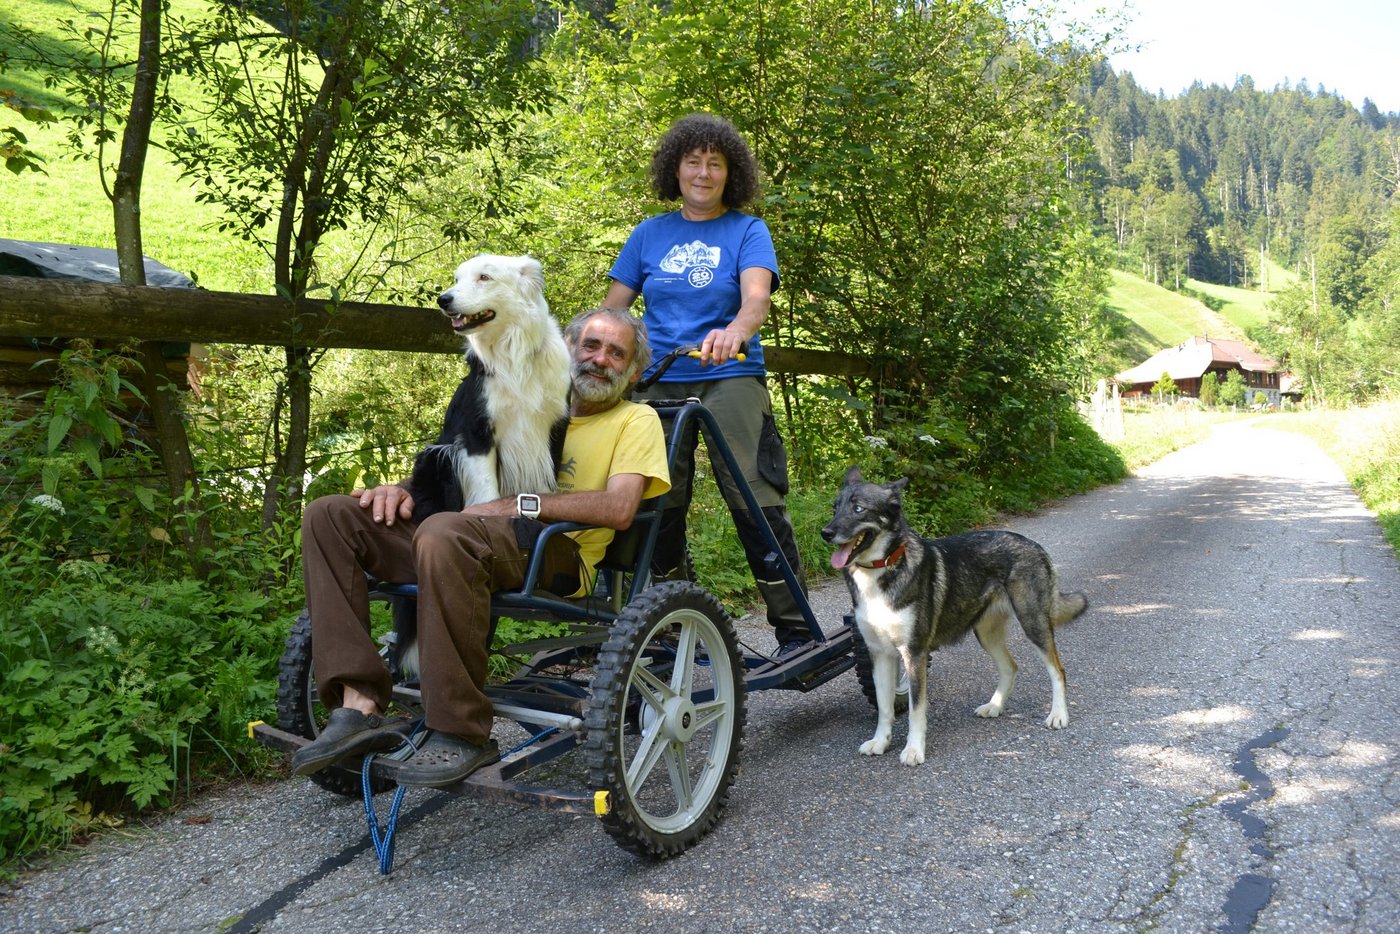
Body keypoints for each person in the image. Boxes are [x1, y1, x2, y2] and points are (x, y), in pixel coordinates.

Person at [291, 307, 670, 787]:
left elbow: (620, 508)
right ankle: (358, 706)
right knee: (331, 515)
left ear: (632, 372)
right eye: (590, 346)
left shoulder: (636, 419)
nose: (599, 360)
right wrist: (403, 490)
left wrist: (520, 504)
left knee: (444, 532)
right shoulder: (522, 397)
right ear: (566, 349)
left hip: (555, 553)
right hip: (463, 536)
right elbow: (457, 465)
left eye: (616, 353)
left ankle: (461, 730)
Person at [603, 112, 810, 657]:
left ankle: (794, 628)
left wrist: (735, 331)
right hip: (658, 379)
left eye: (714, 164)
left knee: (754, 497)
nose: (703, 173)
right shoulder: (649, 234)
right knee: (657, 503)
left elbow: (756, 299)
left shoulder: (747, 230)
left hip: (729, 373)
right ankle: (677, 621)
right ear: (675, 170)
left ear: (729, 173)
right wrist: (599, 361)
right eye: (693, 162)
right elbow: (612, 313)